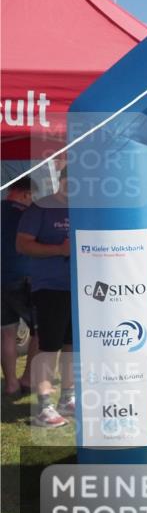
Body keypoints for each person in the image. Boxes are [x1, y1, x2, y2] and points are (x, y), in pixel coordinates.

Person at [16, 168, 73, 427]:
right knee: (49, 347)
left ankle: (68, 398)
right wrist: (59, 249)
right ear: (62, 181)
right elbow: (23, 244)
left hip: (81, 289)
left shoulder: (83, 208)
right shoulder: (39, 209)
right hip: (50, 288)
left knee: (73, 347)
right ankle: (44, 407)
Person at [2, 178, 36, 397]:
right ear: (25, 194)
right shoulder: (27, 215)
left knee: (6, 333)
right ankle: (28, 379)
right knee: (40, 331)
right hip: (22, 278)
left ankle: (11, 384)